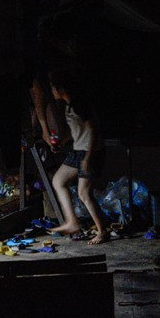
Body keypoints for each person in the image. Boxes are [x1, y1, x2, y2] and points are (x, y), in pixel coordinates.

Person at [48, 66, 109, 245]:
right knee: (58, 180)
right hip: (78, 150)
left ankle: (102, 232)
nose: (52, 91)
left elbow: (93, 130)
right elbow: (78, 129)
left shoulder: (79, 104)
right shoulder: (69, 104)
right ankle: (72, 222)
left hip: (90, 152)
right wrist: (62, 141)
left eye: (53, 88)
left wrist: (88, 158)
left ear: (61, 89)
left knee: (84, 193)